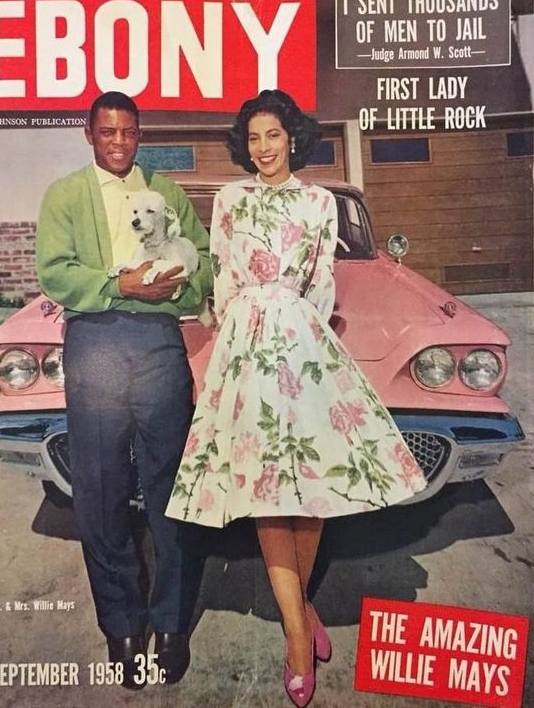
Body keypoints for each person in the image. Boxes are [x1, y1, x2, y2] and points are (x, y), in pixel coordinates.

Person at [165, 89, 427, 706]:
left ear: (292, 138)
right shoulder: (228, 199)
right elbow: (225, 276)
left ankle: (294, 611)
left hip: (301, 342)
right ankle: (295, 632)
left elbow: (320, 282)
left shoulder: (319, 201)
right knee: (262, 488)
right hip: (244, 346)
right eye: (253, 139)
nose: (263, 149)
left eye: (273, 137)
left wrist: (301, 337)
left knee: (309, 484)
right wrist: (235, 346)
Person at [36, 91, 212, 689]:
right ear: (90, 134)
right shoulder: (65, 194)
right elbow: (55, 272)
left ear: (141, 135)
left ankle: (170, 625)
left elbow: (204, 263)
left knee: (172, 490)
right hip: (96, 345)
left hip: (161, 347)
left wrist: (174, 289)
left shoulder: (167, 192)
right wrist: (121, 287)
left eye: (129, 132)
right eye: (107, 132)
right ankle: (123, 627)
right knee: (102, 490)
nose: (118, 142)